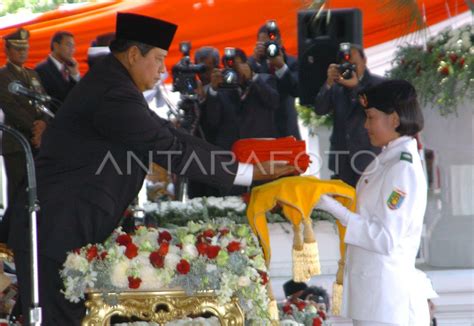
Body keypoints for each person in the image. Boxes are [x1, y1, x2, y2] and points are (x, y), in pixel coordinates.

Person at [5, 13, 295, 325]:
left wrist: (242, 165)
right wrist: (246, 173)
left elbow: (174, 136)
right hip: (55, 231)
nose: (162, 70)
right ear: (132, 54)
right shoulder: (112, 91)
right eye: (158, 59)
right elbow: (168, 147)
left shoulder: (114, 83)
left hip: (62, 229)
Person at [316, 79, 427, 326]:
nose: (366, 125)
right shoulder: (388, 159)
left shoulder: (401, 168)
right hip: (374, 297)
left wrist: (335, 210)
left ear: (394, 120)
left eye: (371, 117)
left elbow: (385, 238)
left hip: (386, 301)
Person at [314, 44, 383, 187]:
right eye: (346, 65)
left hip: (368, 158)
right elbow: (320, 109)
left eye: (354, 64)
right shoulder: (337, 87)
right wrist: (328, 83)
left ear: (364, 60)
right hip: (342, 161)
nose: (350, 68)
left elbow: (375, 110)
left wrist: (356, 87)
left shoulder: (378, 84)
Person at [0, 28, 48, 210]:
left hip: (37, 142)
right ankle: (11, 236)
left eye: (25, 49)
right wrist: (35, 129)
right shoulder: (3, 75)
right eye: (17, 49)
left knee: (36, 192)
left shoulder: (33, 74)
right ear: (7, 50)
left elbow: (44, 101)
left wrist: (43, 124)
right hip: (16, 142)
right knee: (18, 193)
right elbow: (11, 107)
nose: (22, 53)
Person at [248, 21, 301, 140]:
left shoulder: (292, 62)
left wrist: (281, 67)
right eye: (264, 44)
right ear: (257, 44)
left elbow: (297, 90)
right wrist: (254, 62)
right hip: (259, 132)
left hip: (287, 128)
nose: (269, 48)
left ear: (281, 42)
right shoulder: (251, 64)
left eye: (272, 43)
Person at [35, 31, 80, 112]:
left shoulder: (70, 68)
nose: (72, 50)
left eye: (73, 46)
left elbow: (80, 94)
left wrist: (75, 75)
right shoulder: (41, 69)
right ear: (56, 45)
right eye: (69, 45)